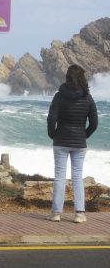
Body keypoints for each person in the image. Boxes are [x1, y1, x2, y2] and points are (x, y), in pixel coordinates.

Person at [46, 64, 98, 223]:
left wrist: (53, 135)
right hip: (79, 143)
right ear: (82, 78)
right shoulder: (87, 97)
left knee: (60, 177)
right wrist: (84, 135)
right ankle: (80, 214)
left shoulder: (59, 95)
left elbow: (51, 119)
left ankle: (56, 213)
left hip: (60, 141)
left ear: (67, 77)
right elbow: (94, 123)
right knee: (77, 177)